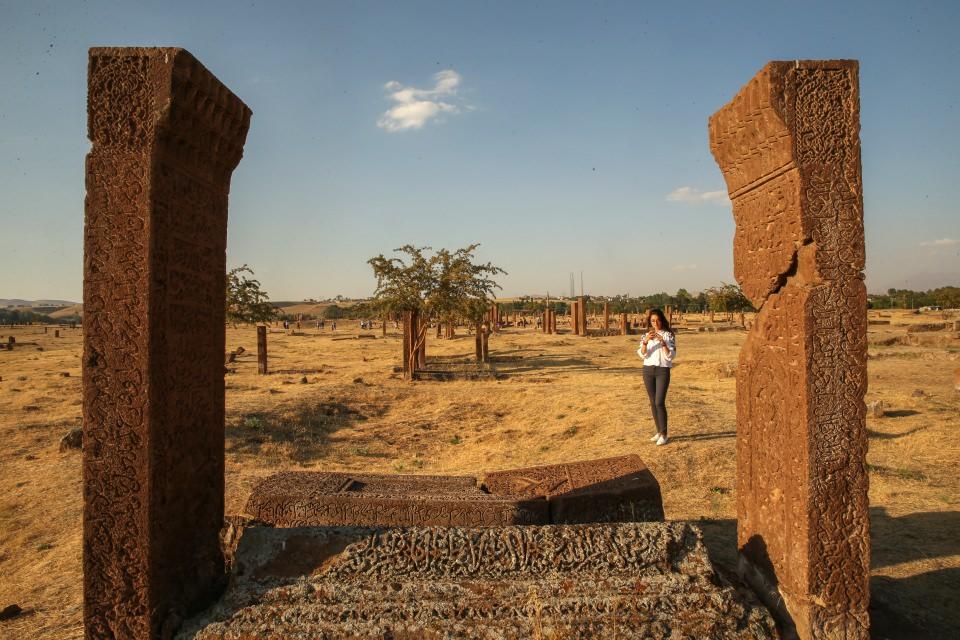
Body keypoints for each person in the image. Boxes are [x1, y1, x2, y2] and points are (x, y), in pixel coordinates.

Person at [637, 308, 676, 445]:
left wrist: (663, 343)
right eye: (653, 321)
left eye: (658, 320)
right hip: (648, 370)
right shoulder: (646, 335)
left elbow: (671, 355)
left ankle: (664, 434)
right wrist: (646, 341)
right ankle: (659, 431)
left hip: (662, 370)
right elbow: (642, 354)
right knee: (653, 402)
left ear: (662, 320)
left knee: (659, 402)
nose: (656, 323)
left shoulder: (668, 335)